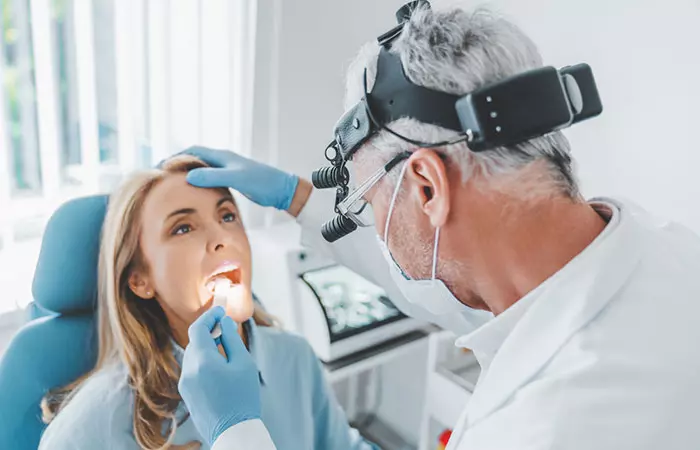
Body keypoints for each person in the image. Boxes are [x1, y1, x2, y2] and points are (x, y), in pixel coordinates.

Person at [176, 3, 700, 450]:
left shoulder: (545, 427)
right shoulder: (661, 251)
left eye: (367, 202)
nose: (376, 229)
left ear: (427, 186)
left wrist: (235, 433)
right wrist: (299, 199)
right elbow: (464, 292)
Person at [38, 156, 376, 450]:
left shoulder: (296, 358)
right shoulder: (96, 421)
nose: (223, 238)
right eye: (183, 228)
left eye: (227, 216)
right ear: (141, 280)